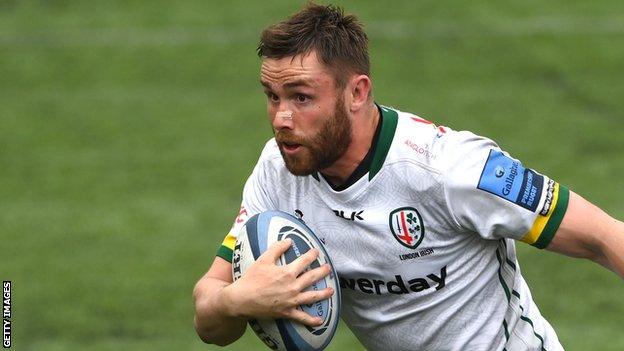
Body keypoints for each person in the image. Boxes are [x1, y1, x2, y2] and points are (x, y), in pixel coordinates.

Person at [193, 3, 624, 350]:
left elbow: (605, 237)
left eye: (302, 97)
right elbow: (208, 317)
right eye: (272, 96)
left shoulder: (451, 169)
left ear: (357, 92)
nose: (282, 118)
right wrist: (238, 300)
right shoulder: (278, 171)